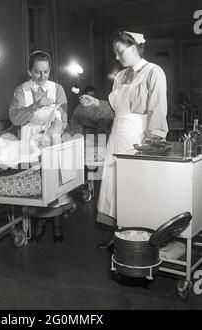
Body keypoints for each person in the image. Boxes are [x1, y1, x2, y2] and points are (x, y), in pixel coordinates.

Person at [80, 31, 168, 249]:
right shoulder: (119, 77)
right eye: (115, 53)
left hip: (139, 138)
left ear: (134, 48)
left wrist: (152, 143)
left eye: (119, 52)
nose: (117, 57)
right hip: (117, 136)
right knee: (115, 186)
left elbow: (158, 109)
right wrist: (95, 103)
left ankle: (139, 237)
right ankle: (118, 234)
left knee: (135, 188)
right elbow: (114, 109)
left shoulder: (153, 72)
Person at [9, 50, 69, 242]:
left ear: (50, 70)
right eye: (37, 72)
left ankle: (58, 225)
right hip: (29, 139)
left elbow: (64, 118)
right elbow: (15, 118)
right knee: (35, 183)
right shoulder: (21, 90)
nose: (42, 76)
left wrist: (53, 132)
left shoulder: (57, 88)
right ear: (29, 71)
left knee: (53, 181)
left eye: (46, 71)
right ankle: (39, 223)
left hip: (52, 139)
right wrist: (35, 105)